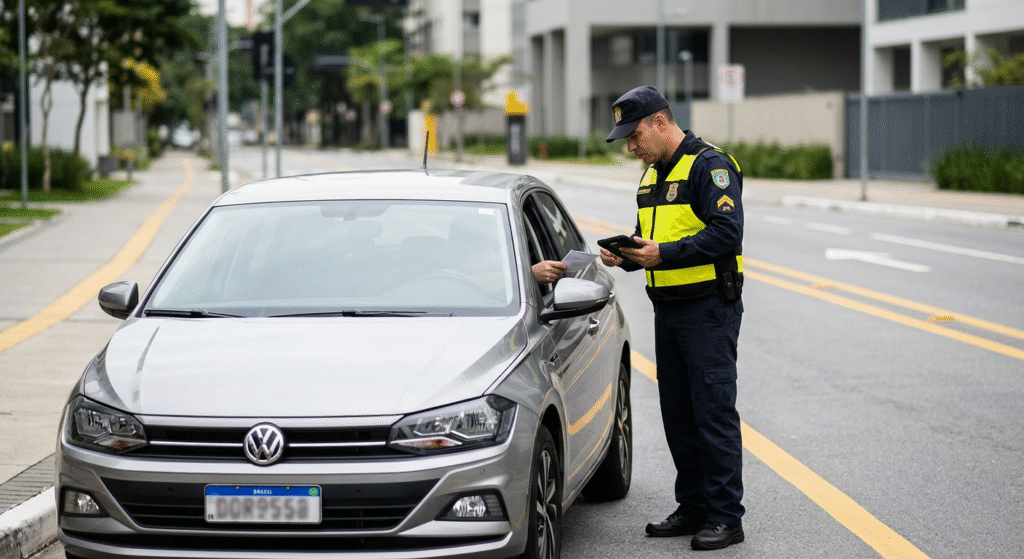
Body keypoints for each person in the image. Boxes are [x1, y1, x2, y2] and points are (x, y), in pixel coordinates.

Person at [600, 85, 745, 551]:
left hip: (708, 309)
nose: (631, 146)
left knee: (713, 413)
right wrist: (626, 256)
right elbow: (650, 242)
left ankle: (726, 515)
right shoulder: (649, 177)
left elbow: (726, 233)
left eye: (635, 134)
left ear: (661, 122)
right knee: (678, 415)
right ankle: (694, 505)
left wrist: (664, 255)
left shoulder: (710, 166)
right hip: (668, 309)